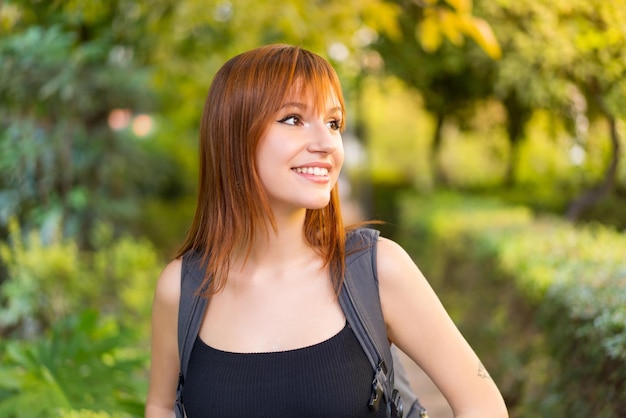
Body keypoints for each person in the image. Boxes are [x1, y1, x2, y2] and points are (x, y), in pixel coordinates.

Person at [145, 44, 508, 418]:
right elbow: (160, 406)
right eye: (293, 119)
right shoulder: (183, 288)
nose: (326, 144)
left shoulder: (376, 270)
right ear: (232, 134)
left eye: (333, 123)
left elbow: (482, 403)